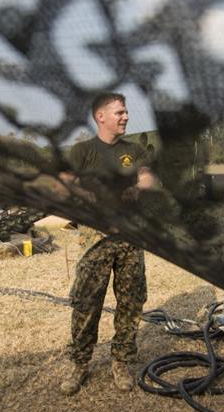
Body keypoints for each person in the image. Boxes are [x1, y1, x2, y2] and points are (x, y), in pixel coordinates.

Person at [59, 92, 156, 395]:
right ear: (100, 116)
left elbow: (147, 179)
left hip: (129, 238)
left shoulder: (135, 150)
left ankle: (121, 362)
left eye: (126, 112)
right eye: (119, 113)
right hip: (94, 239)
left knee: (131, 303)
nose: (125, 117)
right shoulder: (83, 151)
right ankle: (79, 363)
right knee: (87, 304)